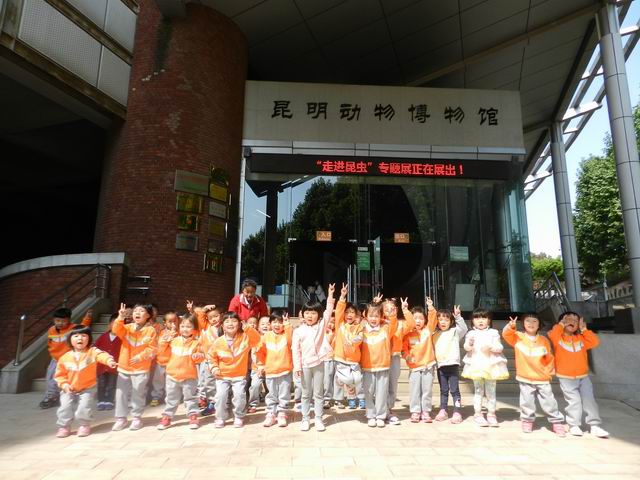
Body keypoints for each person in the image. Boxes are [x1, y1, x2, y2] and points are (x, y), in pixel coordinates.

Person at [502, 313, 566, 436]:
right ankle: (527, 420)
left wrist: (549, 372)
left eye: (534, 321)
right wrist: (511, 326)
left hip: (542, 378)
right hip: (525, 377)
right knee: (527, 401)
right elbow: (506, 334)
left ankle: (556, 422)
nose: (531, 323)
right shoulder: (518, 337)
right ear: (523, 324)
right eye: (528, 321)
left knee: (549, 401)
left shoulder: (544, 340)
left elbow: (549, 358)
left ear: (539, 324)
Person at [547, 311, 609, 438]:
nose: (572, 322)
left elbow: (595, 341)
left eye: (575, 320)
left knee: (589, 400)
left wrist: (584, 329)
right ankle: (573, 425)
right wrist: (561, 325)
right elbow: (553, 334)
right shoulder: (558, 337)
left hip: (583, 377)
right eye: (568, 319)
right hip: (566, 377)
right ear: (562, 322)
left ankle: (594, 426)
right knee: (574, 401)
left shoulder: (581, 338)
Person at [54, 325, 117, 438]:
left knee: (84, 407)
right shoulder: (64, 357)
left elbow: (101, 355)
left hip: (88, 387)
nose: (80, 338)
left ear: (89, 338)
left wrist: (109, 361)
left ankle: (84, 425)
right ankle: (64, 426)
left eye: (84, 335)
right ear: (70, 339)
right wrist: (64, 384)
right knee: (64, 407)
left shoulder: (92, 352)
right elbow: (60, 375)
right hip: (69, 387)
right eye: (76, 336)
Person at [292, 283, 336, 432]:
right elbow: (295, 350)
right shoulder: (298, 331)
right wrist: (297, 366)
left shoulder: (322, 325)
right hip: (304, 365)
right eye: (307, 313)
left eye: (313, 313)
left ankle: (318, 418)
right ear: (302, 314)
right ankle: (305, 419)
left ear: (318, 314)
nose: (310, 316)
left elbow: (328, 311)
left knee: (318, 393)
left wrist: (330, 295)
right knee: (305, 394)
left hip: (319, 363)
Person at [208, 312, 261, 428]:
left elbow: (257, 340)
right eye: (227, 321)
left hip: (239, 376)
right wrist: (214, 368)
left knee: (239, 396)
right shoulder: (218, 342)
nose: (230, 323)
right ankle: (220, 417)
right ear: (222, 326)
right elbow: (211, 357)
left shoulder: (245, 338)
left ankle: (238, 416)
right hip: (222, 376)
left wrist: (248, 328)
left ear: (239, 324)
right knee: (221, 396)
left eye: (234, 321)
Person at [111, 303, 157, 431]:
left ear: (148, 315)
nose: (137, 313)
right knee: (121, 394)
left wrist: (141, 357)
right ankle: (121, 418)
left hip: (141, 368)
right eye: (136, 310)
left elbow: (152, 348)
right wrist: (120, 317)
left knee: (138, 394)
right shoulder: (127, 328)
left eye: (141, 311)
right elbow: (116, 330)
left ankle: (137, 417)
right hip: (124, 367)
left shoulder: (151, 330)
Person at [461, 309, 509, 427]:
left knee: (491, 391)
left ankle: (491, 414)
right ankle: (478, 414)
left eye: (484, 318)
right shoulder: (471, 333)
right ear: (472, 321)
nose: (480, 321)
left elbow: (499, 347)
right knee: (478, 391)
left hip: (491, 365)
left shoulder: (493, 332)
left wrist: (491, 347)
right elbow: (466, 347)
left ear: (489, 320)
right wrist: (470, 344)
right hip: (476, 365)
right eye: (477, 318)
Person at [156, 314, 205, 430]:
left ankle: (193, 416)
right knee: (171, 398)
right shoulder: (173, 341)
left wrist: (198, 356)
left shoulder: (196, 343)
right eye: (182, 326)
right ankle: (167, 417)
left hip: (189, 376)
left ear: (194, 329)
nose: (185, 329)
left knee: (190, 398)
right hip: (172, 375)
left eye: (188, 326)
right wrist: (164, 342)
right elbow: (162, 355)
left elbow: (201, 357)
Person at [40, 307, 93, 409]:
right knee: (51, 378)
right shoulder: (51, 330)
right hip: (55, 359)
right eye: (57, 320)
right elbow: (50, 344)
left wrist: (87, 317)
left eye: (63, 321)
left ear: (69, 320)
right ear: (54, 320)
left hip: (68, 359)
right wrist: (51, 355)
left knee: (71, 379)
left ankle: (72, 396)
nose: (60, 323)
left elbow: (83, 327)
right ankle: (51, 397)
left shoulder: (72, 329)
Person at [360, 297, 400, 428]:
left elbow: (393, 323)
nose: (373, 318)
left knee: (382, 393)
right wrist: (374, 304)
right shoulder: (362, 329)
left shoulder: (386, 328)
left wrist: (391, 314)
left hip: (383, 366)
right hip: (367, 367)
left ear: (381, 317)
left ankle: (380, 416)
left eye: (377, 316)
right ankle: (370, 415)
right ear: (365, 316)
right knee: (368, 392)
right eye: (371, 315)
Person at [402, 300, 437, 423]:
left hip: (428, 366)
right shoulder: (407, 334)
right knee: (415, 390)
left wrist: (430, 307)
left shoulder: (428, 330)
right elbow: (404, 349)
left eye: (421, 318)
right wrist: (407, 357)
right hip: (414, 368)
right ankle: (415, 411)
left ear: (425, 320)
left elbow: (433, 319)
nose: (418, 321)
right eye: (415, 318)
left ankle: (426, 411)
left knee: (427, 390)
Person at [256, 312, 293, 427]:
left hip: (285, 370)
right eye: (274, 322)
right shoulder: (266, 336)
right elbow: (260, 352)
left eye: (280, 322)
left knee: (284, 393)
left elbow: (290, 340)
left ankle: (282, 413)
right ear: (270, 323)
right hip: (270, 371)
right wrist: (261, 365)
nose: (277, 325)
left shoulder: (286, 335)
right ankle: (271, 413)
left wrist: (287, 324)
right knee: (271, 394)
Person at [433, 305, 468, 424]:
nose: (443, 322)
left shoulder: (454, 332)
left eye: (446, 319)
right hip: (441, 366)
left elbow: (463, 329)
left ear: (451, 321)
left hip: (452, 365)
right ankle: (443, 410)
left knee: (454, 390)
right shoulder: (434, 334)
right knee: (443, 390)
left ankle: (457, 411)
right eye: (440, 319)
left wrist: (458, 317)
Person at [332, 284, 365, 409]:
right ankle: (350, 398)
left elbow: (360, 338)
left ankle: (359, 397)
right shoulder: (340, 325)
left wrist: (352, 341)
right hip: (341, 359)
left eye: (352, 312)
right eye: (347, 312)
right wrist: (342, 297)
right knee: (347, 380)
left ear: (356, 314)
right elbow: (339, 311)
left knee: (357, 380)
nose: (349, 315)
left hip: (354, 360)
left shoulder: (359, 327)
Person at [386, 296, 415, 425]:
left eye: (392, 308)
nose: (390, 311)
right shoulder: (379, 323)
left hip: (394, 357)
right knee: (381, 385)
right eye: (387, 309)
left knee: (392, 384)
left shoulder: (401, 324)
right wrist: (374, 304)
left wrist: (406, 310)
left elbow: (412, 324)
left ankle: (389, 408)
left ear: (396, 310)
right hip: (380, 357)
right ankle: (380, 408)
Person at [149, 311, 179, 407]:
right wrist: (168, 338)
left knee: (171, 382)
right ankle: (156, 396)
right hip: (161, 362)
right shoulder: (162, 333)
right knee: (158, 381)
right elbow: (160, 348)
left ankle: (170, 397)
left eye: (175, 321)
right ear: (165, 323)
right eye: (170, 321)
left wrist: (175, 336)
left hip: (174, 362)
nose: (173, 323)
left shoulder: (180, 333)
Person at [196, 304, 222, 416]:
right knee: (208, 382)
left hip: (221, 360)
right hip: (208, 360)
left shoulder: (224, 327)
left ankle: (221, 401)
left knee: (221, 382)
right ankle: (212, 402)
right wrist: (204, 309)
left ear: (221, 315)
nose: (214, 319)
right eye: (211, 318)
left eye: (216, 316)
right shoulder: (206, 327)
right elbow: (200, 318)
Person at [95, 314, 121, 410]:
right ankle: (101, 400)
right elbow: (95, 348)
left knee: (111, 385)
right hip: (102, 366)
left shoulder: (121, 338)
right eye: (113, 324)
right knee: (101, 384)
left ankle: (110, 400)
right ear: (109, 325)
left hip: (114, 366)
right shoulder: (103, 336)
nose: (115, 326)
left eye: (118, 325)